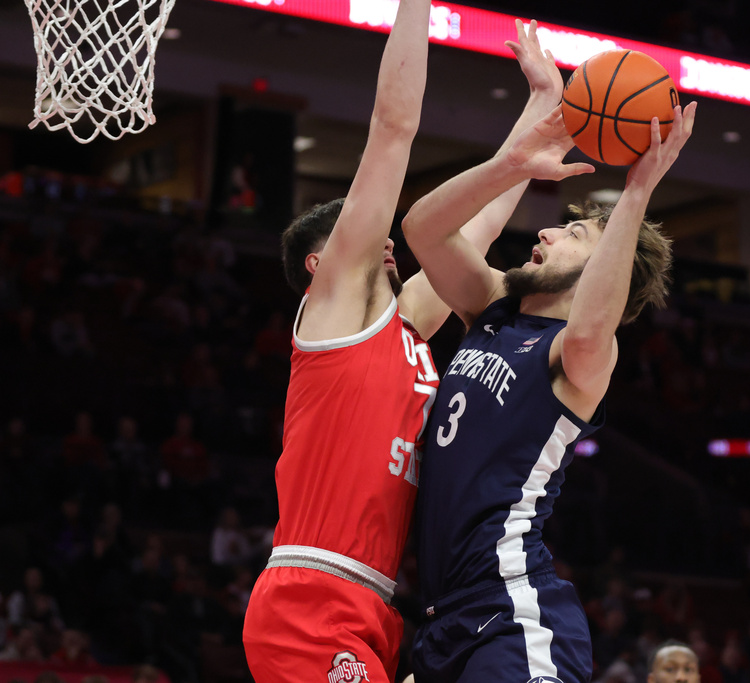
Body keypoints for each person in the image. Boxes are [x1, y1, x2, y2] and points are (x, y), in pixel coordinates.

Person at [240, 6, 567, 683]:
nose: (383, 237)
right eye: (355, 232)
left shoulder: (407, 330)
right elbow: (393, 129)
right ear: (317, 266)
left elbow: (466, 237)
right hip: (312, 596)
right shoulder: (332, 313)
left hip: (376, 602)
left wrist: (539, 110)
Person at [403, 84, 696, 680]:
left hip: (513, 612)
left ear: (600, 270)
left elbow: (593, 325)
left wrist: (639, 188)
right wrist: (513, 162)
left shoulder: (577, 359)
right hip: (441, 614)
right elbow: (423, 229)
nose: (547, 233)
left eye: (574, 236)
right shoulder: (494, 309)